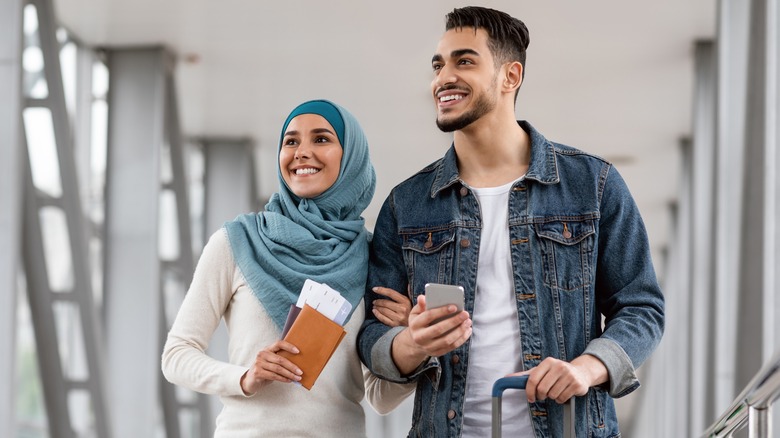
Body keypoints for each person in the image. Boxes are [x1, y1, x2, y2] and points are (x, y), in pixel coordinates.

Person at [357, 6, 665, 437]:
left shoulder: (593, 186)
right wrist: (412, 342)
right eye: (438, 65)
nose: (443, 77)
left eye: (464, 61)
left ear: (510, 76)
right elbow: (372, 337)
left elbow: (641, 307)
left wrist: (588, 368)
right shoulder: (406, 205)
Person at [162, 99, 413, 437]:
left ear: (351, 157)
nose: (301, 152)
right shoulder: (237, 242)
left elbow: (380, 397)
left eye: (321, 139)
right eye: (291, 141)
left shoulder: (371, 257)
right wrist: (245, 376)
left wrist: (412, 340)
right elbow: (176, 356)